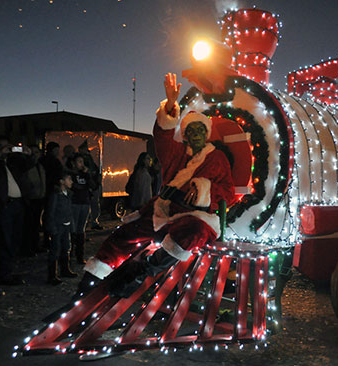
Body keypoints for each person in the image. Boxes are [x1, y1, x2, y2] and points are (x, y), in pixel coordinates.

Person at [78, 73, 235, 296]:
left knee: (194, 233)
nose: (195, 135)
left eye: (200, 130)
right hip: (164, 210)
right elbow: (162, 137)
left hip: (196, 215)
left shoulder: (217, 158)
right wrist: (171, 105)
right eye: (190, 131)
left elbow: (228, 192)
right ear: (186, 136)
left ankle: (142, 271)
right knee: (125, 233)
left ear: (207, 134)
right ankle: (90, 281)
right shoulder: (176, 152)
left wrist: (202, 188)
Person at [0, 140, 35, 285]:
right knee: (5, 240)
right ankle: (3, 274)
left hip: (18, 204)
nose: (7, 149)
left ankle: (8, 271)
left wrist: (28, 154)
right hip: (5, 205)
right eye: (3, 146)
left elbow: (28, 166)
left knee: (15, 239)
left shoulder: (14, 161)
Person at [45, 172, 77, 285]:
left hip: (65, 225)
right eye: (69, 179)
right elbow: (50, 213)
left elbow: (69, 212)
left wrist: (71, 226)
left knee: (66, 247)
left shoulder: (68, 194)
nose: (71, 182)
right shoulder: (56, 195)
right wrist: (52, 228)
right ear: (62, 181)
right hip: (58, 226)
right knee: (55, 250)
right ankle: (52, 275)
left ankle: (65, 270)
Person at [69, 153, 96, 264]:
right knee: (73, 229)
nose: (81, 164)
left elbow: (93, 186)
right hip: (75, 203)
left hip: (84, 203)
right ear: (74, 163)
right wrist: (84, 187)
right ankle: (69, 254)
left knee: (81, 229)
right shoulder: (71, 175)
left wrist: (87, 175)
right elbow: (75, 187)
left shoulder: (85, 174)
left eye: (82, 162)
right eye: (79, 161)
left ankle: (80, 255)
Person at [20, 145, 46, 256]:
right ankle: (27, 247)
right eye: (33, 152)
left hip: (39, 197)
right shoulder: (26, 166)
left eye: (37, 152)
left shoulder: (40, 166)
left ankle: (35, 245)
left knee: (35, 224)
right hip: (30, 198)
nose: (35, 155)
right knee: (29, 225)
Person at [78, 140, 103, 230]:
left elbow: (94, 171)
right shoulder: (81, 159)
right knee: (90, 205)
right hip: (88, 186)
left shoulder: (89, 159)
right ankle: (90, 222)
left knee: (94, 205)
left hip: (93, 185)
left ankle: (93, 222)